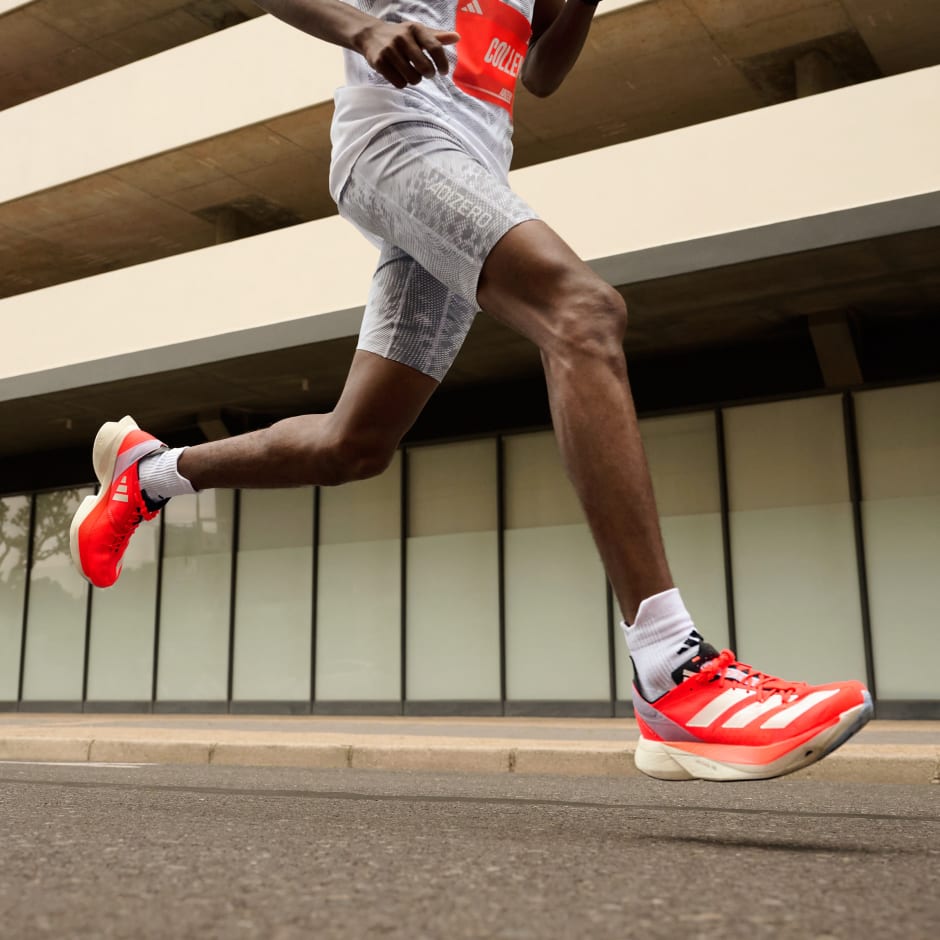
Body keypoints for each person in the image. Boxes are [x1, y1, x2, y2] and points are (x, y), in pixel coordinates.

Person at [69, 0, 872, 780]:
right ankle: (671, 672)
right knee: (583, 313)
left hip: (468, 169)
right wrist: (363, 25)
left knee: (356, 444)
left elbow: (546, 71)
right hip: (398, 141)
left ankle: (152, 472)